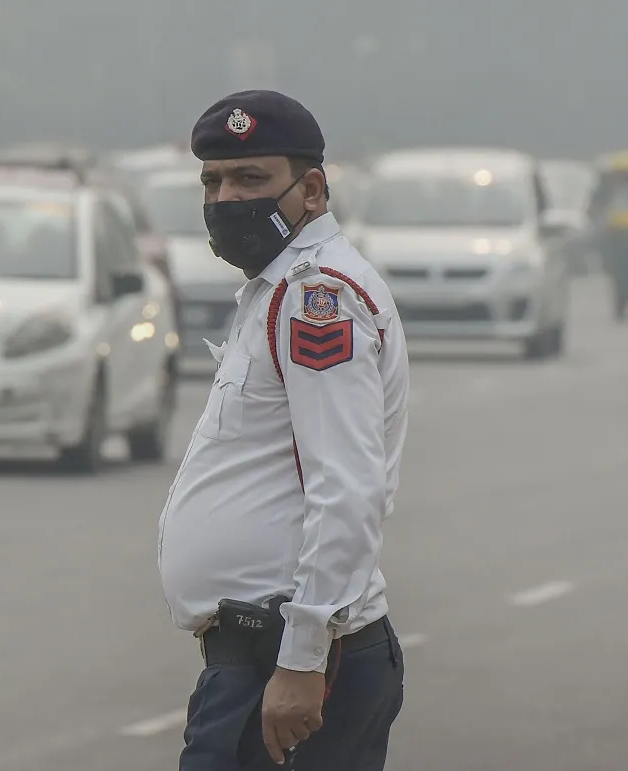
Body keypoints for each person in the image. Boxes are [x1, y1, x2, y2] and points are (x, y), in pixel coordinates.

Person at [157, 90, 409, 771]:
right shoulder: (275, 289)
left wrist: (300, 660)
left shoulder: (314, 297)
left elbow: (348, 487)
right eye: (213, 180)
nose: (226, 198)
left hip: (294, 657)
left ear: (313, 189)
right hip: (268, 654)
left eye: (251, 179)